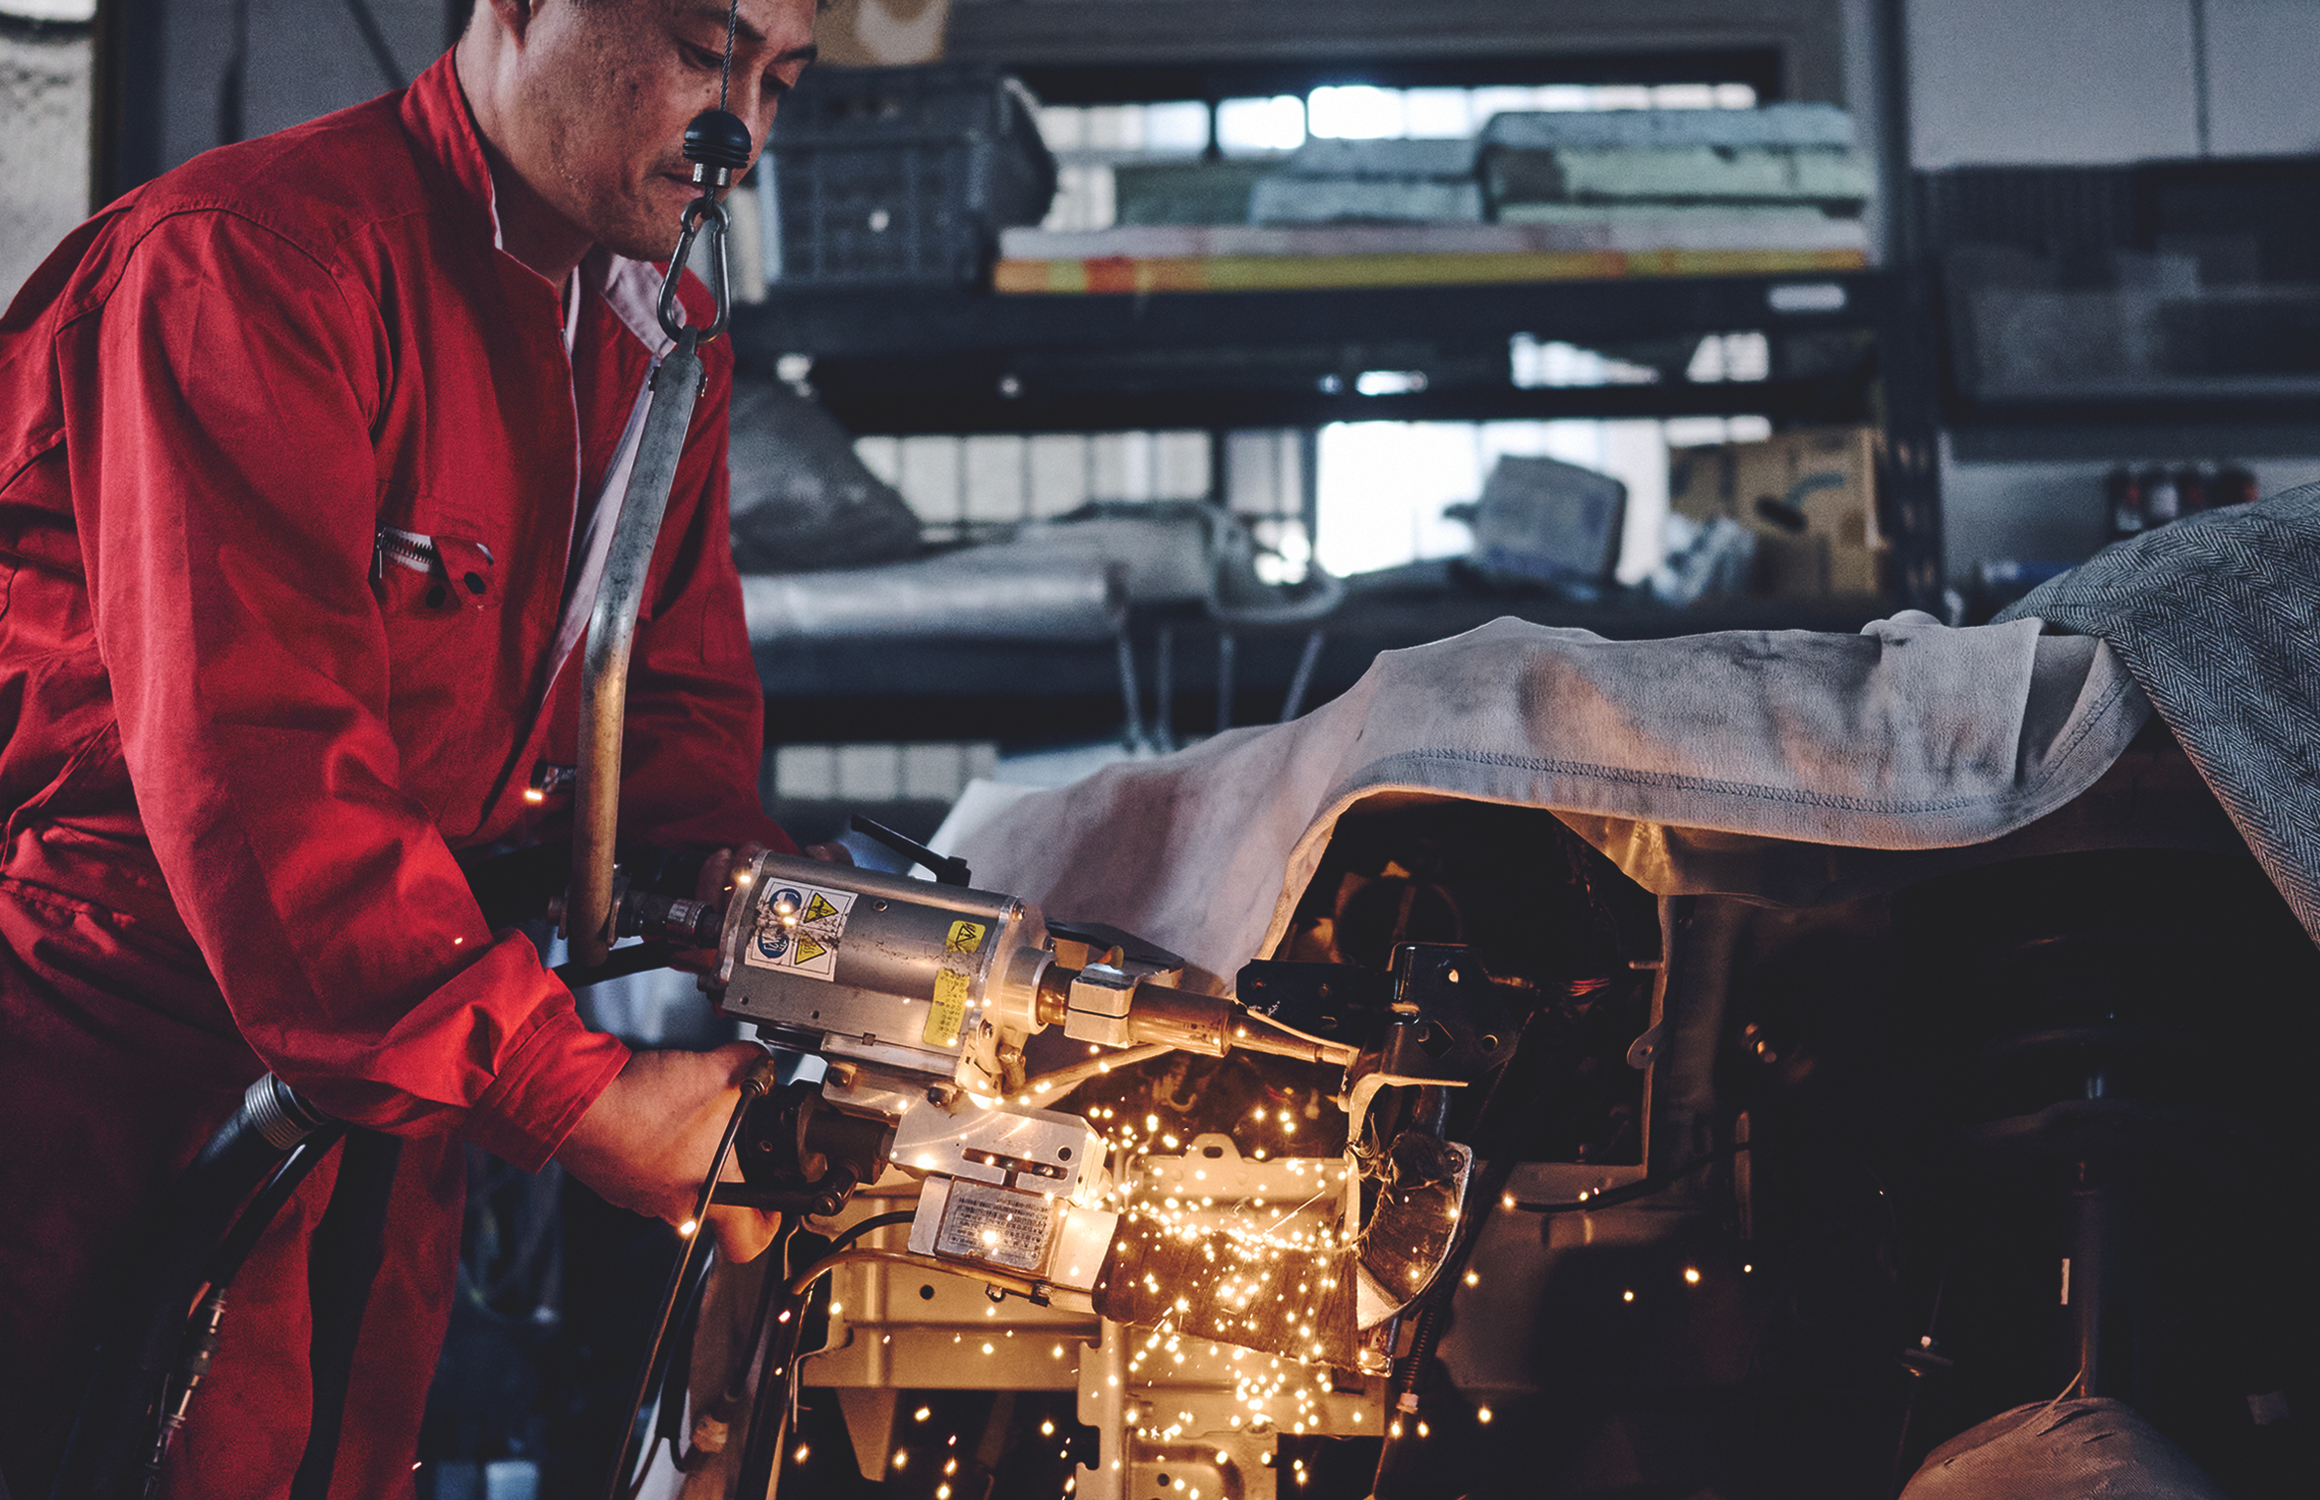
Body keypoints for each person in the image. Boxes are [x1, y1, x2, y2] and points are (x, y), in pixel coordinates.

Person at [0, 1, 820, 1493]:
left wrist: (794, 934)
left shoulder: (657, 327)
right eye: (709, 53)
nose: (741, 131)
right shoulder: (252, 265)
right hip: (123, 1055)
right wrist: (577, 1096)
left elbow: (672, 711)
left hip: (398, 1050)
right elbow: (258, 775)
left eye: (779, 79)